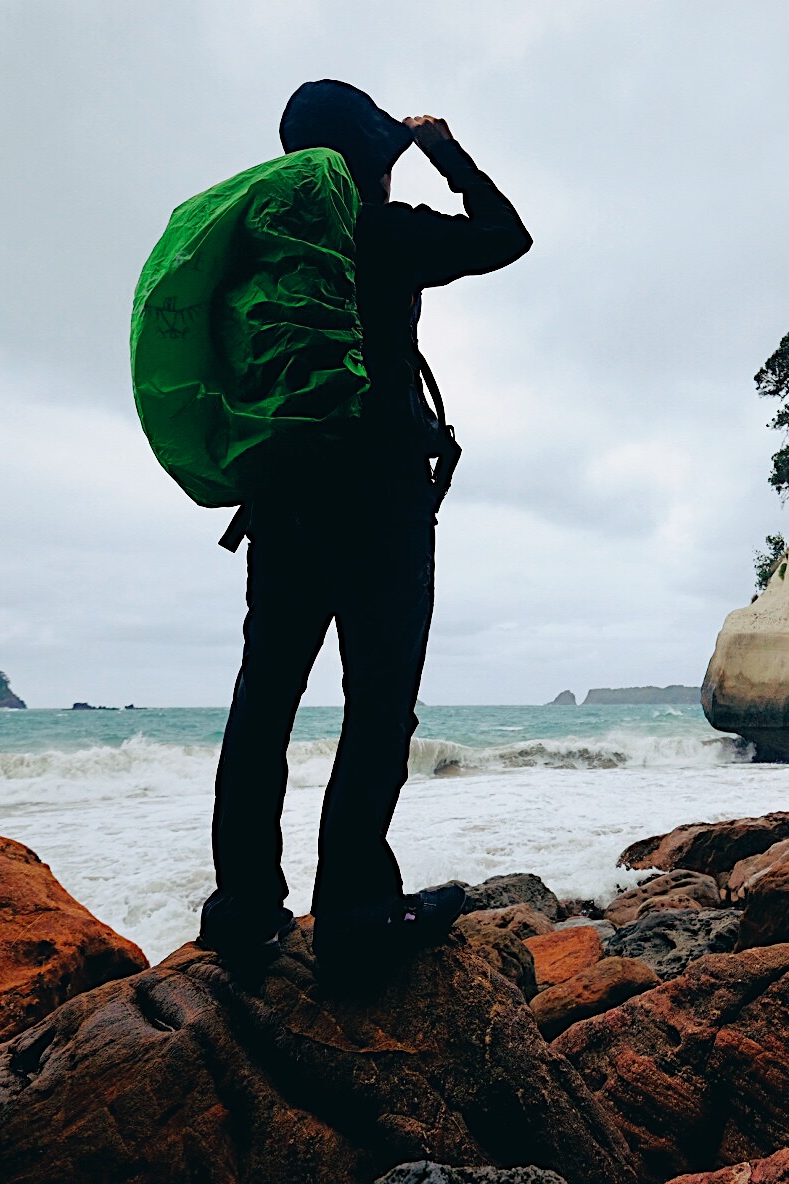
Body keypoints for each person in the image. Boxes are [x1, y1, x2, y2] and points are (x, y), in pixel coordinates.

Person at [198, 79, 531, 975]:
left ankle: (242, 909)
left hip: (281, 503)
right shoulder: (381, 233)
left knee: (264, 700)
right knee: (377, 706)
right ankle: (352, 911)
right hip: (380, 503)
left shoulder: (268, 248)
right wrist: (444, 149)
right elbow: (506, 235)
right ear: (366, 151)